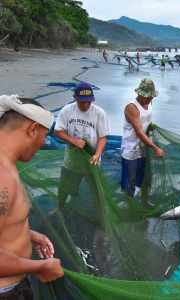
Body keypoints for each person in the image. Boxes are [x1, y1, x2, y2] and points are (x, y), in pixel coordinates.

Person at [0, 95, 64, 298]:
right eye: (45, 135)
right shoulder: (2, 178)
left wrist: (27, 234)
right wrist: (40, 267)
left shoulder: (8, 164)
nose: (45, 142)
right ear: (33, 129)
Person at [53, 82, 110, 211]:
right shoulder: (67, 110)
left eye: (88, 102)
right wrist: (72, 140)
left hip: (92, 158)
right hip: (73, 157)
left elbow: (103, 137)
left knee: (96, 190)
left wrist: (97, 154)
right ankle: (59, 208)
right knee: (65, 185)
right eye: (82, 102)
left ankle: (101, 214)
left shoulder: (99, 113)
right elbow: (57, 131)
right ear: (74, 97)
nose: (85, 105)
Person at [121, 78, 164, 208]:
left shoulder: (149, 102)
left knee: (145, 177)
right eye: (146, 97)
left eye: (150, 97)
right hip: (131, 149)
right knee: (131, 180)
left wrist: (149, 124)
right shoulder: (132, 108)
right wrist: (155, 148)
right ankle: (130, 206)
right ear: (139, 93)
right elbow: (139, 132)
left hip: (142, 147)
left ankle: (144, 202)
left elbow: (145, 118)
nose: (148, 100)